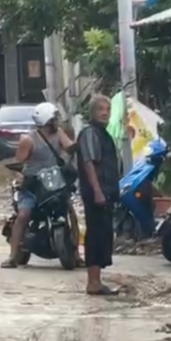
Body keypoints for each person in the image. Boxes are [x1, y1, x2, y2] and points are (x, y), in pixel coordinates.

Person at [2, 102, 79, 268]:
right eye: (54, 119)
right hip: (33, 184)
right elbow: (18, 164)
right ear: (47, 121)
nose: (57, 122)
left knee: (70, 211)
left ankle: (76, 254)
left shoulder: (59, 133)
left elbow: (69, 146)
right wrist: (20, 177)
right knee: (23, 215)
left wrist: (78, 145)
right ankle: (13, 256)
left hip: (54, 181)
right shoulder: (28, 140)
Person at [76, 94, 122, 296]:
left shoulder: (103, 134)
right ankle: (92, 282)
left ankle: (97, 280)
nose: (104, 113)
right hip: (97, 192)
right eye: (100, 109)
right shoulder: (90, 133)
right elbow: (89, 163)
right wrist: (97, 191)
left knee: (103, 235)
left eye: (107, 110)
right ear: (92, 112)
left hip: (106, 191)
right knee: (95, 235)